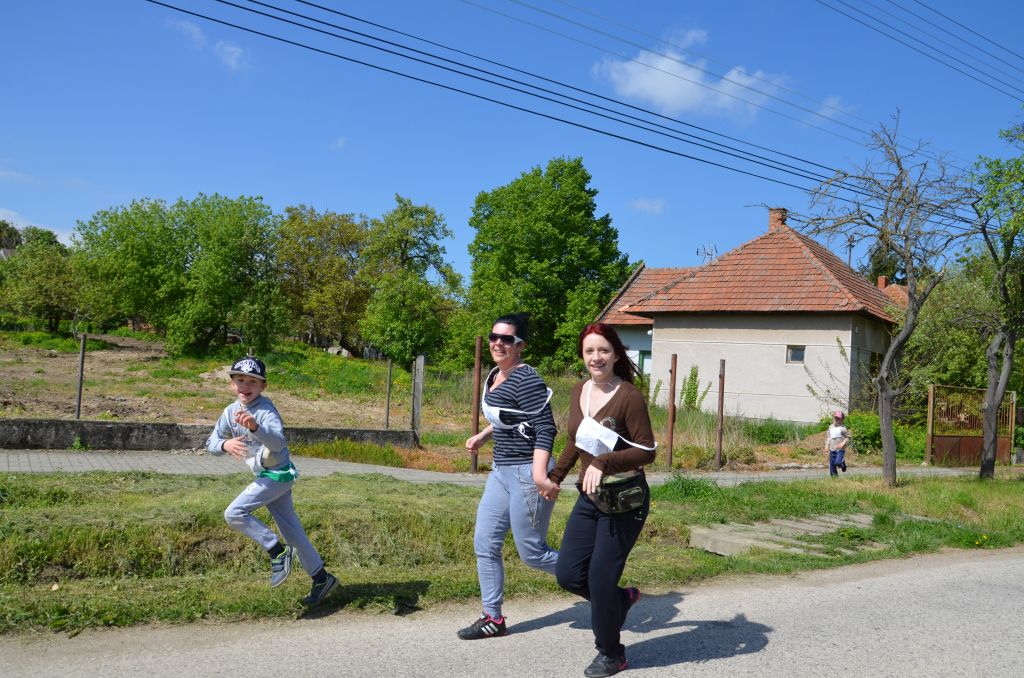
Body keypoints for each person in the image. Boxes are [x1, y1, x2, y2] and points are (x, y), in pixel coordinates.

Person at [548, 323, 657, 678]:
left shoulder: (629, 397)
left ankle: (611, 654)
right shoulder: (579, 391)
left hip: (625, 502)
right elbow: (575, 440)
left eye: (603, 350)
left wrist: (602, 462)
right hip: (590, 497)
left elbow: (647, 451)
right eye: (589, 351)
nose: (596, 357)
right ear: (583, 356)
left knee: (600, 579)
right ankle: (619, 600)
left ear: (616, 354)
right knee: (568, 574)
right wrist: (555, 476)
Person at [458, 313, 560, 640]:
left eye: (507, 339)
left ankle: (599, 580)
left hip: (528, 472)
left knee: (533, 553)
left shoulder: (526, 379)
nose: (498, 343)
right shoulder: (495, 375)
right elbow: (511, 417)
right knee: (484, 542)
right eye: (494, 337)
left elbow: (546, 427)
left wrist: (540, 474)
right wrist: (484, 435)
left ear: (520, 345)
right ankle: (493, 618)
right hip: (500, 471)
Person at [206, 355, 339, 606]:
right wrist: (225, 444)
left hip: (279, 474)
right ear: (231, 383)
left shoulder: (266, 411)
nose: (246, 386)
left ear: (263, 386)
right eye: (240, 380)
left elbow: (278, 442)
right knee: (292, 531)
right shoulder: (230, 412)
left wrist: (256, 428)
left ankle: (277, 551)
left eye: (253, 382)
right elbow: (211, 443)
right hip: (267, 475)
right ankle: (322, 578)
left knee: (234, 513)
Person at [826, 410, 851, 477]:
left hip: (840, 449)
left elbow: (848, 437)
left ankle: (842, 463)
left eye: (838, 418)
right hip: (832, 448)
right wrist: (827, 445)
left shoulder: (843, 428)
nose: (836, 419)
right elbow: (829, 437)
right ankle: (834, 477)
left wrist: (843, 443)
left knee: (837, 462)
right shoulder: (831, 427)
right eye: (835, 418)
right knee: (832, 464)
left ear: (842, 419)